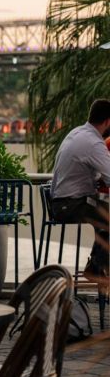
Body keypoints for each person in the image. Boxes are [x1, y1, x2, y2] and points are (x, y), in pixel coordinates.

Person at [51, 98, 110, 283]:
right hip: (69, 205)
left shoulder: (78, 132)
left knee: (105, 211)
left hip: (62, 203)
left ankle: (97, 266)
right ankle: (96, 267)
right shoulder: (93, 142)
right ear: (107, 121)